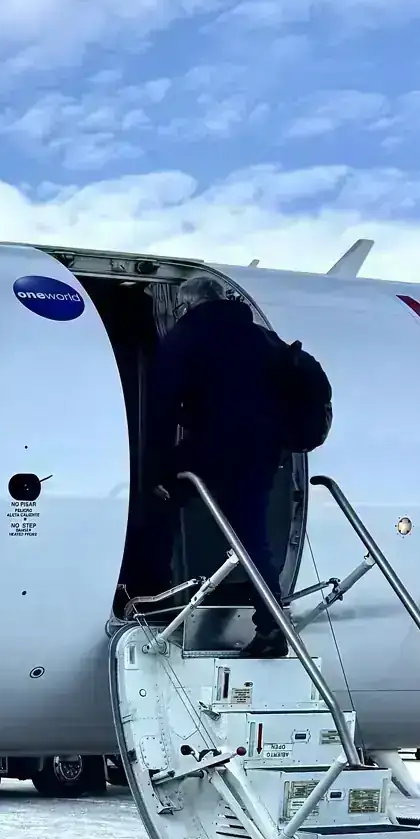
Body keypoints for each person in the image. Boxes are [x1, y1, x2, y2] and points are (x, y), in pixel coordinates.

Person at [132, 275, 293, 659]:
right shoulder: (262, 337)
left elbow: (161, 410)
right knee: (252, 536)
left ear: (188, 304)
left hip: (214, 448)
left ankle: (152, 591)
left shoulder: (187, 336)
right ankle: (269, 622)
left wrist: (153, 470)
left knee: (154, 500)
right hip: (263, 450)